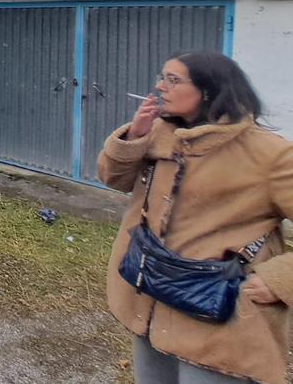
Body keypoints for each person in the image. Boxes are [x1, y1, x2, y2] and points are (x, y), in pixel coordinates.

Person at [98, 52, 293, 384]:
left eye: (173, 80)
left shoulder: (268, 154)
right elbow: (113, 179)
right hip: (152, 297)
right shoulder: (159, 133)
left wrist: (279, 279)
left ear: (209, 90)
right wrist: (135, 137)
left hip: (219, 308)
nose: (160, 87)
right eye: (162, 77)